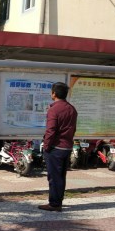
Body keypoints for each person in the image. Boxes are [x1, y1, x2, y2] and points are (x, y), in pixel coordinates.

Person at [40, 82, 78, 212]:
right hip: (67, 147)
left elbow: (51, 130)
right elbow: (73, 128)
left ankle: (54, 204)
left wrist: (46, 146)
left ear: (54, 94)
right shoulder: (72, 109)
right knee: (61, 176)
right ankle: (58, 201)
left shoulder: (54, 109)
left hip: (55, 148)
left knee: (54, 177)